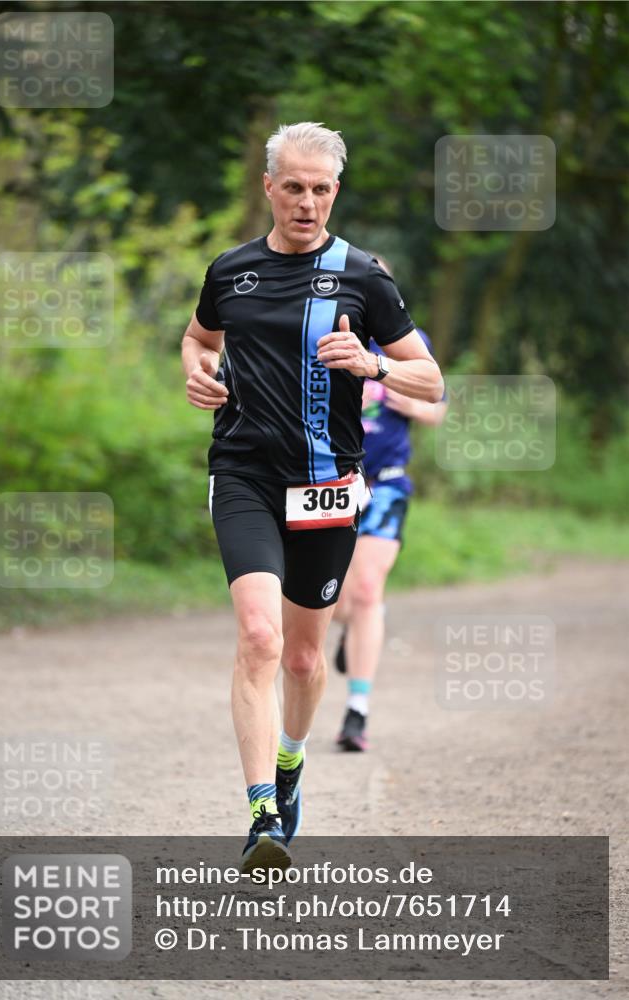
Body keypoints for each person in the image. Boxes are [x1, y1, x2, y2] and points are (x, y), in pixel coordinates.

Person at [181, 122, 443, 873]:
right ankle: (261, 809)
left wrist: (371, 363)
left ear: (335, 191)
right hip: (243, 474)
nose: (306, 202)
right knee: (259, 638)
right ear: (268, 186)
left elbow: (431, 379)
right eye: (292, 186)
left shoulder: (363, 277)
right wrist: (196, 370)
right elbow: (197, 338)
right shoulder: (230, 271)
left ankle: (291, 764)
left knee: (300, 658)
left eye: (320, 189)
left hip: (327, 486)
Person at [333, 267, 448, 750]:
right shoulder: (324, 337)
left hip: (386, 484)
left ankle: (357, 712)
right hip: (330, 483)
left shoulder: (405, 341)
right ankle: (357, 624)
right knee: (331, 601)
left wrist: (394, 392)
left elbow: (435, 408)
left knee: (365, 587)